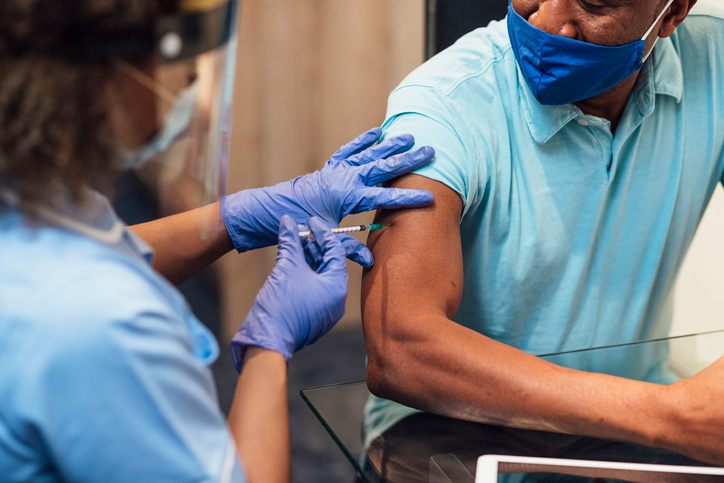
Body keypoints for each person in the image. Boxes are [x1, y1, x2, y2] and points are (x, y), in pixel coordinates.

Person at [0, 0, 435, 482]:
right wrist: (269, 346)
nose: (185, 82)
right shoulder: (103, 327)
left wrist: (240, 217)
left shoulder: (30, 206)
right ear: (105, 78)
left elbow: (98, 249)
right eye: (166, 57)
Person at [361, 0, 724, 467]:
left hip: (630, 426)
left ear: (673, 13)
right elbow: (400, 347)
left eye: (593, 3)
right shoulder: (444, 103)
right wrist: (669, 415)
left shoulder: (713, 62)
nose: (547, 20)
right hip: (447, 430)